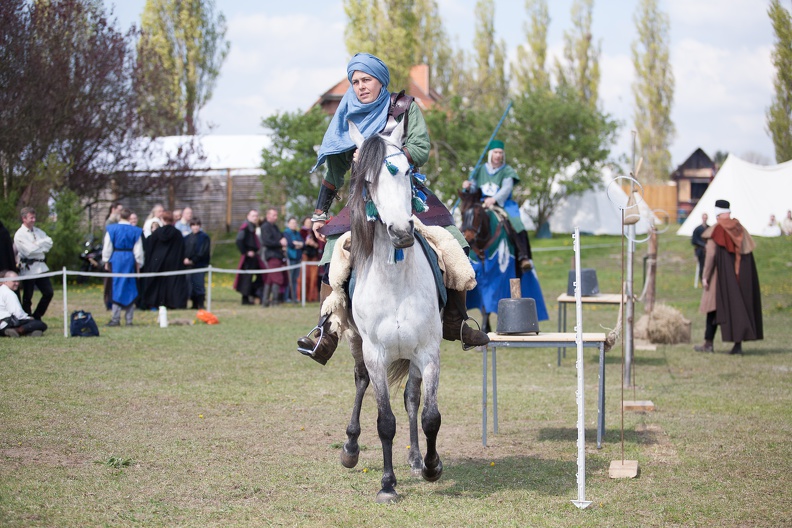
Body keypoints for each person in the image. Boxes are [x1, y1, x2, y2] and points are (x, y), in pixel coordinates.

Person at [297, 52, 489, 365]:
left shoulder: (404, 107)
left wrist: (383, 157)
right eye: (355, 81)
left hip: (405, 189)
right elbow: (334, 171)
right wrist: (321, 212)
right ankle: (327, 330)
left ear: (381, 81)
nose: (360, 86)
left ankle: (455, 320)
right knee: (331, 251)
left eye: (366, 80)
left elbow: (420, 148)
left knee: (455, 239)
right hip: (364, 195)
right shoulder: (346, 115)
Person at [694, 199, 763, 355]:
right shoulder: (740, 229)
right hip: (740, 278)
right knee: (737, 308)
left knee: (712, 308)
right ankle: (737, 346)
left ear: (717, 214)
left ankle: (708, 343)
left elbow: (710, 256)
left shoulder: (717, 230)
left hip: (719, 278)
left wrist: (705, 276)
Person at [462, 140, 534, 270]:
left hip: (503, 204)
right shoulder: (479, 170)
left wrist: (494, 199)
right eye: (496, 152)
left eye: (500, 152)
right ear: (490, 154)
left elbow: (507, 189)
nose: (498, 155)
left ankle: (523, 256)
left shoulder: (507, 171)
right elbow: (473, 189)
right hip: (481, 203)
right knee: (469, 218)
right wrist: (467, 187)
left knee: (516, 223)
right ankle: (463, 250)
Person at [102, 208, 144, 326]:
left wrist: (106, 260)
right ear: (129, 216)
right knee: (130, 286)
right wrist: (139, 264)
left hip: (117, 258)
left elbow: (107, 246)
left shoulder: (112, 229)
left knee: (116, 286)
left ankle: (115, 318)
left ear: (120, 216)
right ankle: (129, 320)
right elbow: (138, 251)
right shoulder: (135, 231)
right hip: (129, 258)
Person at [13, 207, 54, 320]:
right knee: (27, 297)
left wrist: (36, 243)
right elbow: (29, 251)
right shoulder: (20, 234)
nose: (33, 220)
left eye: (34, 217)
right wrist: (41, 246)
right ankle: (27, 318)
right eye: (31, 217)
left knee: (48, 292)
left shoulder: (38, 232)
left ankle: (37, 316)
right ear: (24, 219)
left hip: (41, 267)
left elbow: (49, 243)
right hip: (28, 269)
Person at [143, 211, 188, 309]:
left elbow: (150, 248)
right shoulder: (177, 234)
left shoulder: (156, 233)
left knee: (158, 282)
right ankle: (173, 303)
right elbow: (182, 249)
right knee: (172, 282)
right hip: (173, 262)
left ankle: (155, 302)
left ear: (162, 220)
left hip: (158, 262)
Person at [0, 271, 47, 337]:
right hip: (7, 323)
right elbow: (17, 313)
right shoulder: (9, 293)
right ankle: (19, 330)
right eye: (14, 281)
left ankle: (30, 333)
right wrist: (28, 318)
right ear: (5, 281)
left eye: (18, 281)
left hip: (2, 326)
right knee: (41, 324)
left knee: (32, 325)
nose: (17, 283)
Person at [234, 209, 265, 305]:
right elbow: (239, 240)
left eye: (256, 216)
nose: (255, 218)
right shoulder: (245, 226)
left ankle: (254, 293)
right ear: (248, 216)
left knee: (261, 275)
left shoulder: (252, 227)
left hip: (255, 256)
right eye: (253, 216)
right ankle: (245, 299)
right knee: (247, 278)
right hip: (248, 257)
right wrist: (246, 252)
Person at [260, 208, 288, 307]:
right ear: (268, 216)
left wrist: (283, 239)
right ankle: (275, 301)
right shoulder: (265, 227)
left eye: (276, 215)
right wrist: (279, 243)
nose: (276, 217)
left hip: (278, 255)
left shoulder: (275, 227)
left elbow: (280, 237)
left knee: (270, 279)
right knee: (277, 278)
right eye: (273, 215)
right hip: (271, 255)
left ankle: (265, 301)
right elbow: (266, 241)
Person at [183, 217, 211, 309]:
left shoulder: (204, 237)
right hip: (188, 267)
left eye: (197, 225)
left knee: (199, 285)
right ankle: (194, 304)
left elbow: (202, 252)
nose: (195, 227)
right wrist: (185, 259)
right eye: (193, 225)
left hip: (199, 266)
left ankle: (201, 304)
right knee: (190, 286)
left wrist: (193, 260)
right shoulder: (187, 238)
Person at [300, 216, 321, 302]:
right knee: (304, 277)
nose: (309, 224)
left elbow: (318, 245)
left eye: (310, 222)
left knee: (313, 278)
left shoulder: (314, 233)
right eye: (307, 222)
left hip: (313, 257)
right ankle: (303, 297)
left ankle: (312, 297)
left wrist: (313, 244)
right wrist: (306, 243)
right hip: (305, 257)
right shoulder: (301, 232)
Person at [283, 216, 304, 303]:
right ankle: (286, 297)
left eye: (295, 223)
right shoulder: (286, 233)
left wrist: (297, 244)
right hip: (290, 258)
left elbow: (303, 244)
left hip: (297, 259)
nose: (294, 225)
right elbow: (290, 244)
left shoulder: (297, 233)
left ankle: (294, 298)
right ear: (288, 224)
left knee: (295, 279)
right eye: (292, 223)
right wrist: (298, 244)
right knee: (289, 279)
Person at [691, 212, 709, 281]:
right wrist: (703, 245)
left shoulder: (709, 228)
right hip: (701, 251)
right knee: (701, 266)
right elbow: (694, 240)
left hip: (708, 251)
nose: (705, 219)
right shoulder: (697, 229)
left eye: (706, 218)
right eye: (704, 217)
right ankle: (702, 280)